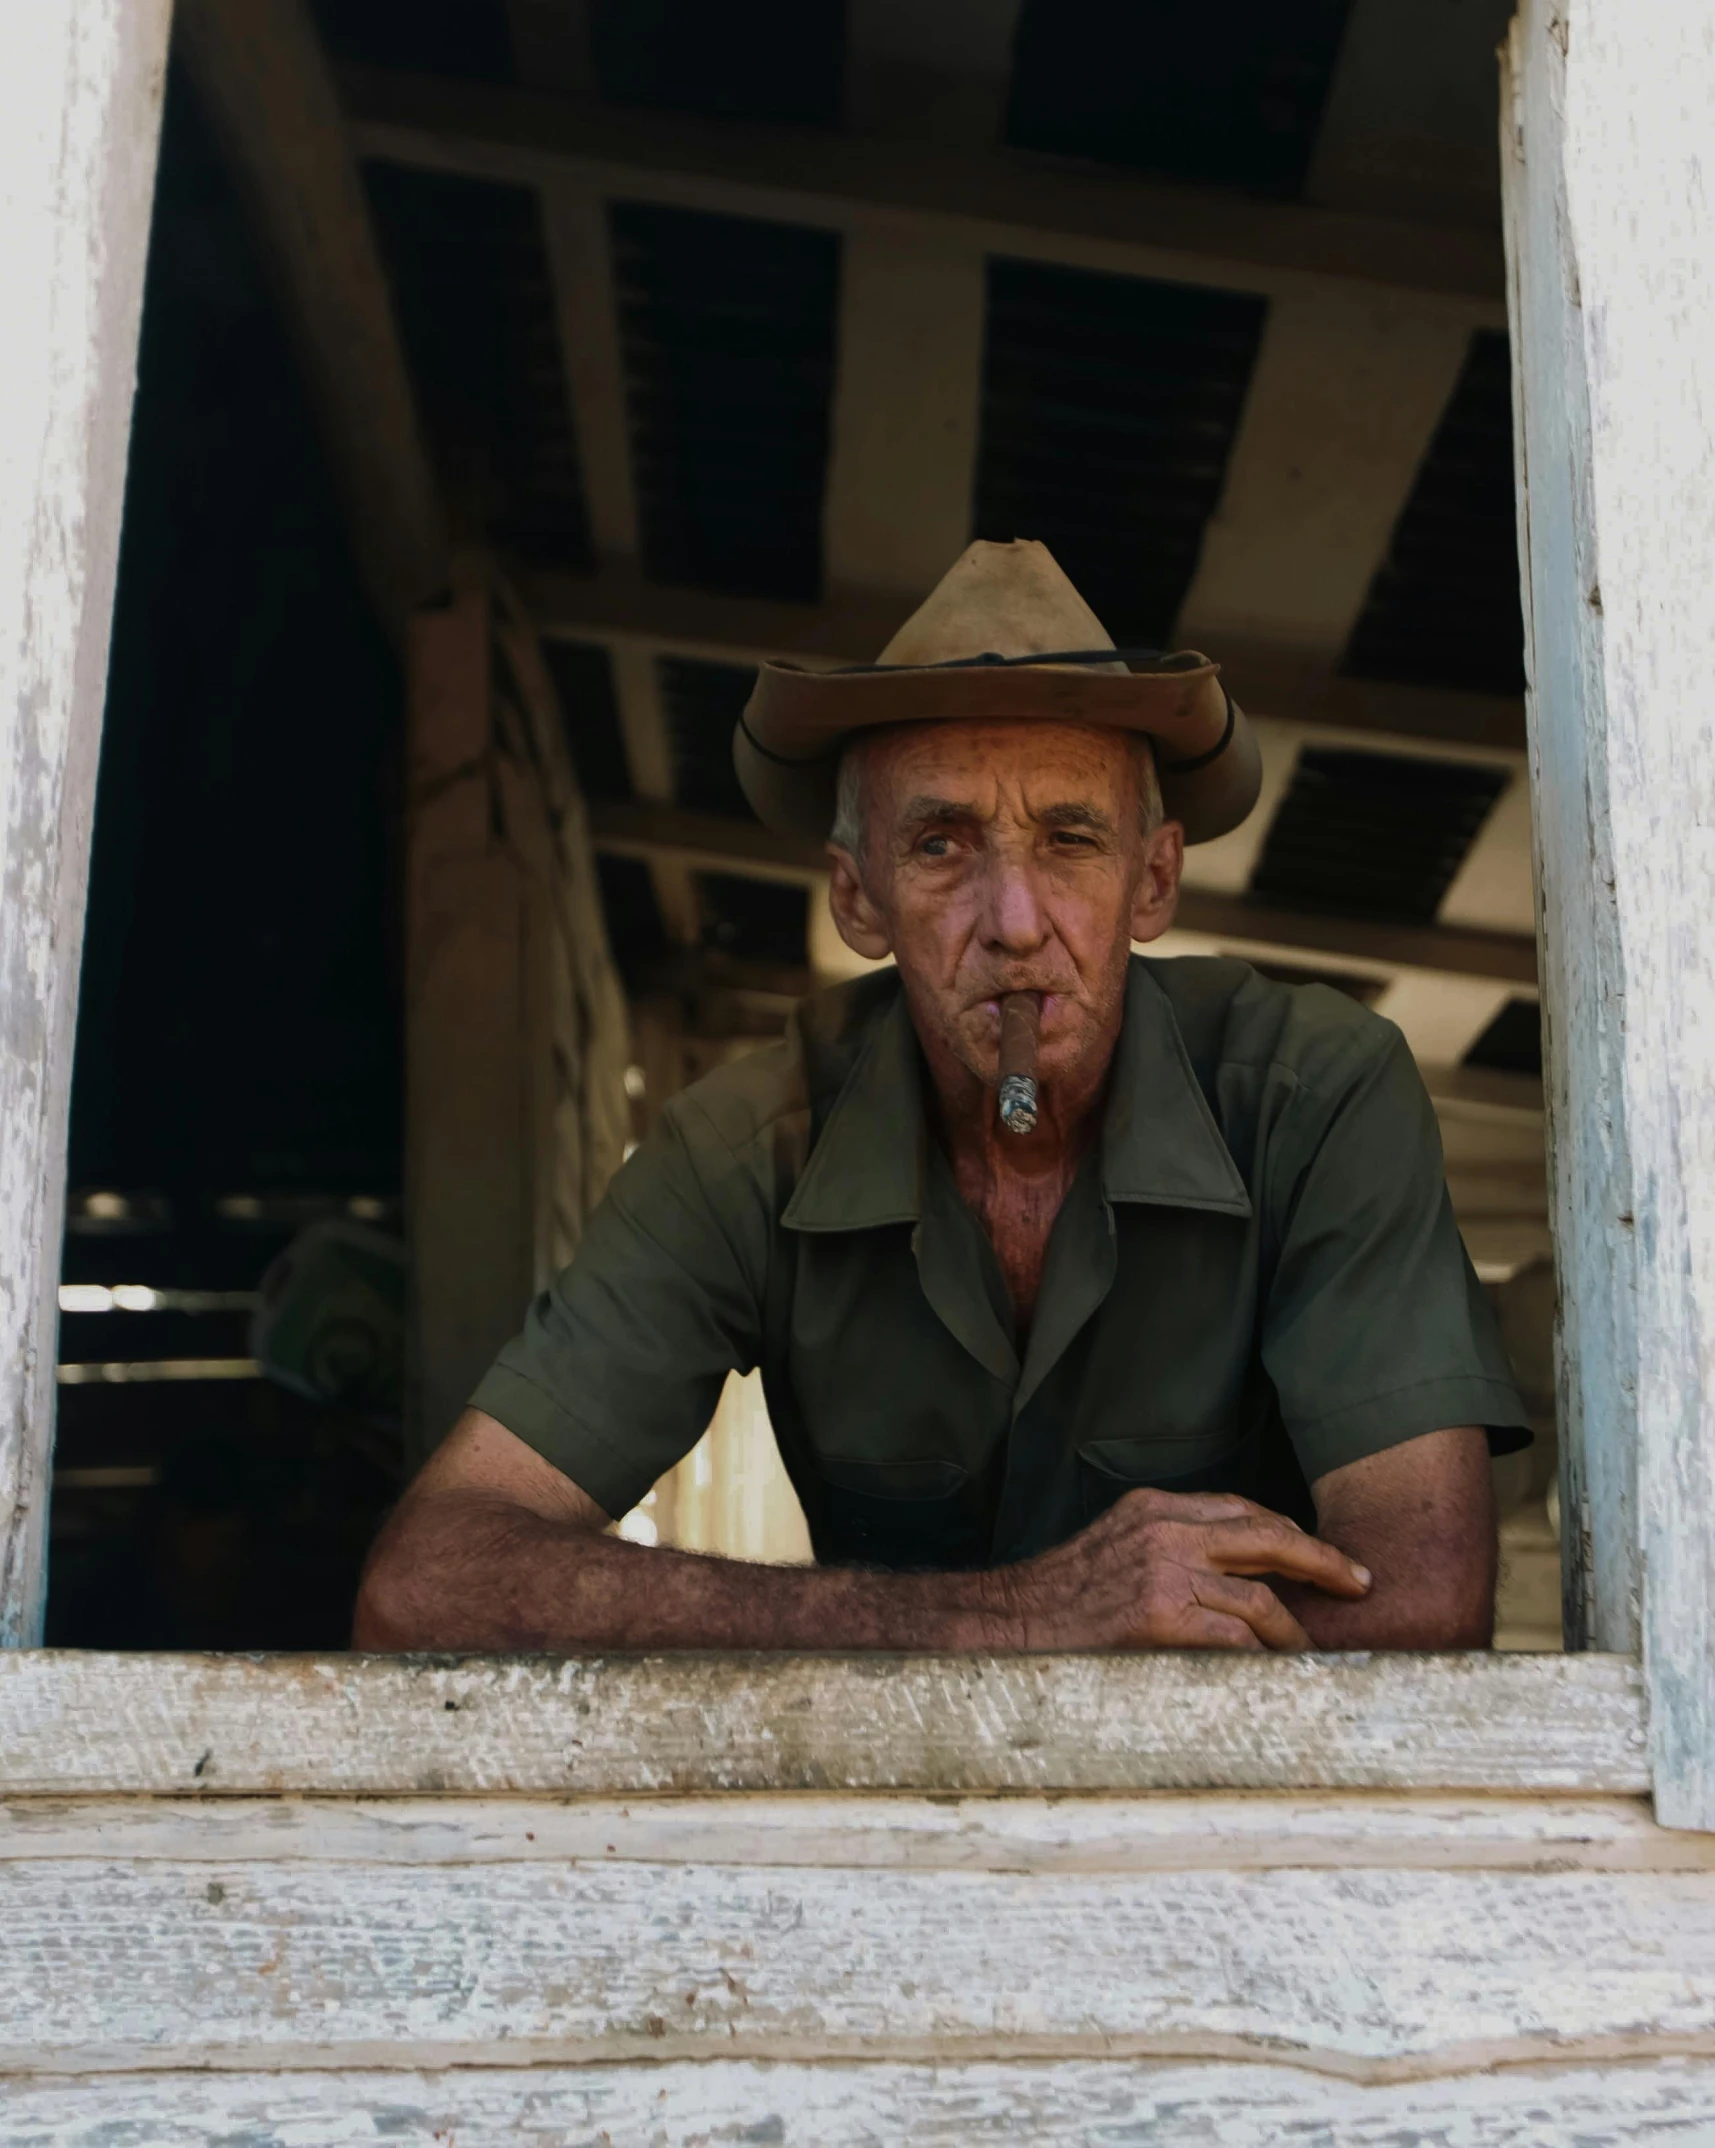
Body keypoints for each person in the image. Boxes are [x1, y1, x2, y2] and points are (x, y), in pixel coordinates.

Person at [354, 540, 1528, 1655]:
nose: (1014, 926)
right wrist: (1019, 1619)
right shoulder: (742, 1148)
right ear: (856, 901)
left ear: (1152, 879)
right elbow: (428, 1583)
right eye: (941, 846)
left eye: (1069, 839)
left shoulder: (1313, 1096)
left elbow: (1422, 1600)